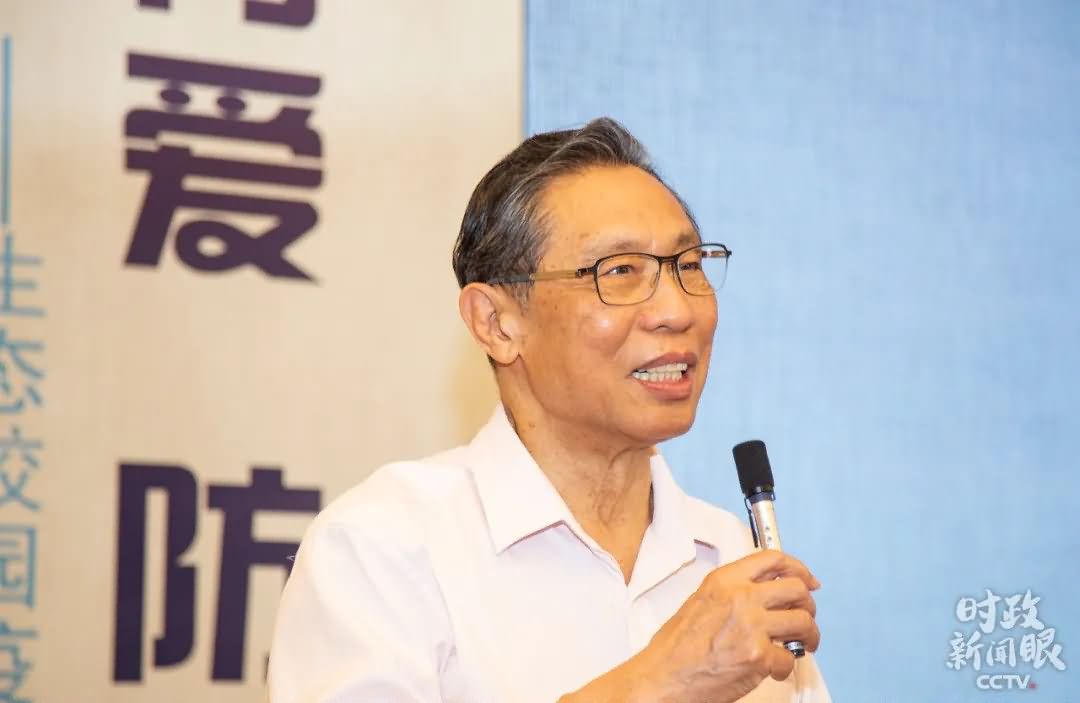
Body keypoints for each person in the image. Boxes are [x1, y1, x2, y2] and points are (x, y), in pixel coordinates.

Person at [268, 117, 830, 703]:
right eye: (620, 271)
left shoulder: (734, 558)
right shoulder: (383, 547)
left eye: (689, 265)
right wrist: (663, 681)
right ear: (496, 323)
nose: (677, 310)